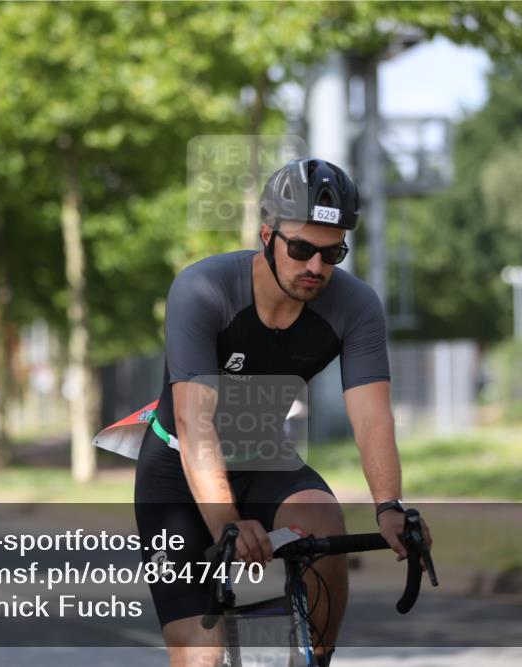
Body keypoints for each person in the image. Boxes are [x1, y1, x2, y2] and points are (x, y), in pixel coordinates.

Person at [134, 158, 433, 667]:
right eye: (300, 249)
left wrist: (388, 505)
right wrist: (227, 521)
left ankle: (317, 657)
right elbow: (194, 421)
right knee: (201, 658)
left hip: (263, 458)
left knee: (323, 519)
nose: (316, 267)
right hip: (179, 472)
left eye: (332, 252)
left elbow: (372, 417)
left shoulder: (355, 306)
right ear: (267, 235)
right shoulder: (204, 290)